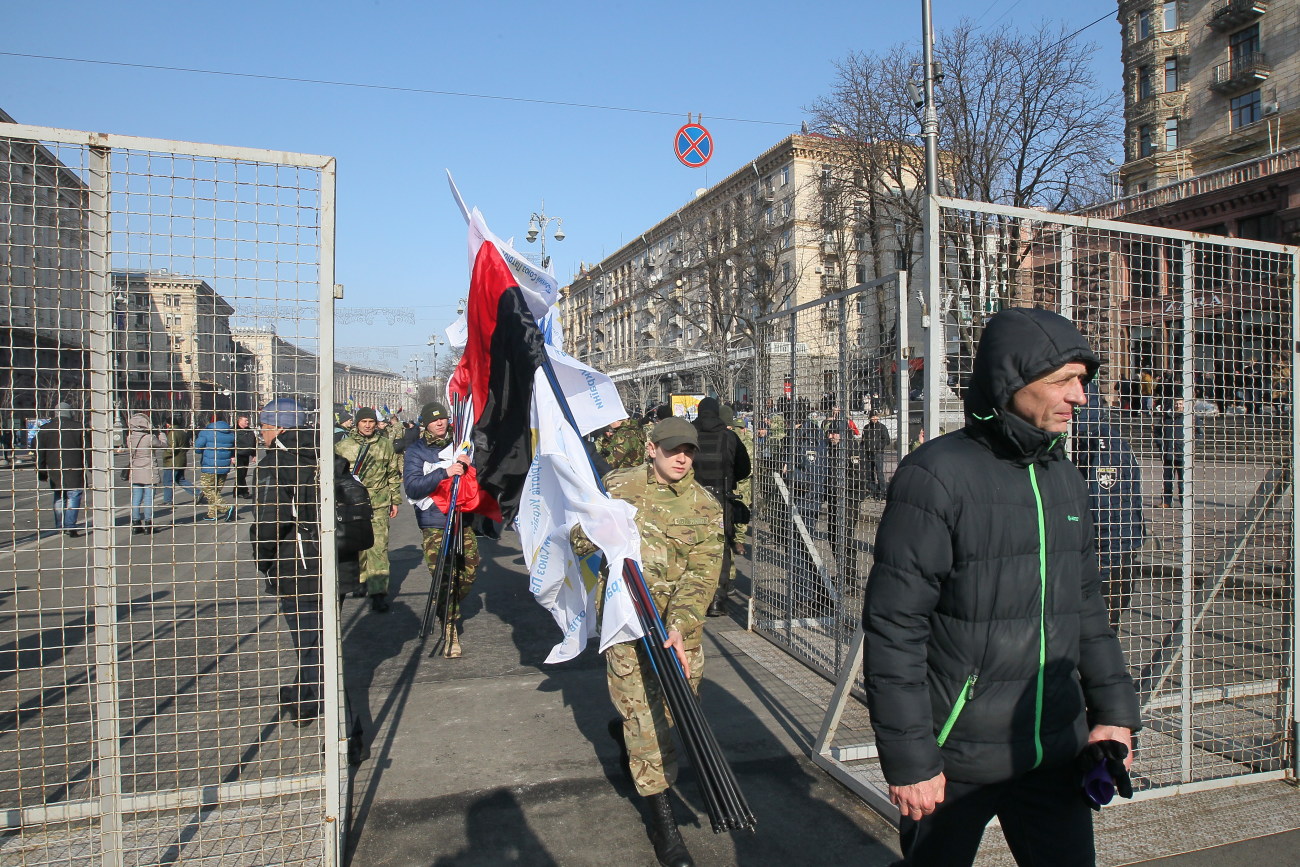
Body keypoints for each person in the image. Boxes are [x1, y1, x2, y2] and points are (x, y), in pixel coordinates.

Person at [861, 307, 1140, 867]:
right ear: (1012, 381)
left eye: (1082, 381)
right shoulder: (935, 476)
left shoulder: (1063, 475)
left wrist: (1113, 710)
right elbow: (895, 628)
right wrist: (911, 759)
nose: (1080, 396)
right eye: (1063, 380)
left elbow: (1086, 606)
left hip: (1055, 747)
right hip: (956, 757)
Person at [571, 417, 724, 867]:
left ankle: (626, 735)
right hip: (627, 627)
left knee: (676, 713)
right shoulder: (619, 486)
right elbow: (579, 541)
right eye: (674, 449)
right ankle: (664, 823)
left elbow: (703, 573)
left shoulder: (705, 506)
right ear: (651, 449)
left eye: (689, 451)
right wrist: (601, 525)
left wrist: (679, 625)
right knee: (647, 726)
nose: (683, 458)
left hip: (677, 634)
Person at [250, 398, 322, 726]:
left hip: (296, 564)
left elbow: (269, 523)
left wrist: (263, 561)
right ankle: (301, 693)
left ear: (279, 428)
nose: (260, 433)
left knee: (310, 643)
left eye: (263, 427)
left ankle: (343, 729)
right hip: (330, 559)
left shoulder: (274, 464)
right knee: (320, 639)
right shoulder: (322, 455)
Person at [402, 402, 480, 656]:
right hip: (435, 522)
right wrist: (444, 472)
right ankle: (450, 627)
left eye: (443, 419)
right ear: (424, 424)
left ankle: (446, 604)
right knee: (445, 576)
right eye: (434, 420)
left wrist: (467, 464)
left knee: (467, 574)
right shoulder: (416, 451)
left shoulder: (461, 446)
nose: (440, 423)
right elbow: (413, 487)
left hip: (461, 518)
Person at [1074, 385, 1145, 625]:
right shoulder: (1097, 437)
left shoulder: (1099, 442)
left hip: (1109, 551)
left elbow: (1101, 505)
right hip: (1118, 546)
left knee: (1100, 624)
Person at [334, 407, 402, 612]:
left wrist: (395, 500)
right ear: (356, 423)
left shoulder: (385, 445)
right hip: (352, 504)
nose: (368, 425)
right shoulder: (343, 447)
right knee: (356, 545)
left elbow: (392, 473)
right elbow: (337, 476)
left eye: (371, 421)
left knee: (378, 548)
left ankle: (378, 592)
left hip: (379, 503)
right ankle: (361, 580)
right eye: (363, 421)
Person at [690, 398, 750, 617]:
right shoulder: (729, 436)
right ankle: (717, 599)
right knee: (721, 549)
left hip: (692, 498)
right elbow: (745, 468)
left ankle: (694, 598)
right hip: (720, 499)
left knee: (691, 547)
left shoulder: (689, 435)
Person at [35, 402, 86, 537]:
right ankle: (70, 525)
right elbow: (87, 451)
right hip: (75, 468)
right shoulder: (79, 427)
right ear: (69, 412)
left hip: (55, 469)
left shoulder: (46, 429)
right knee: (74, 495)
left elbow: (40, 453)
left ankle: (61, 525)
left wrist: (41, 471)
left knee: (59, 497)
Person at [126, 411, 166, 535]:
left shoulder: (129, 438)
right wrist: (161, 434)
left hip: (135, 470)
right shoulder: (149, 438)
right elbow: (164, 445)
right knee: (148, 498)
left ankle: (135, 523)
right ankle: (148, 524)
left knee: (136, 498)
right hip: (149, 471)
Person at [194, 412, 236, 521]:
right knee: (216, 491)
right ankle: (212, 514)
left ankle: (226, 508)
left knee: (208, 489)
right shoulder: (230, 433)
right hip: (224, 467)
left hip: (210, 465)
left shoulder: (207, 432)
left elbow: (198, 448)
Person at [1154, 397, 1185, 508]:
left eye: (1180, 404)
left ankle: (1184, 502)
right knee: (1167, 480)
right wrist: (1161, 445)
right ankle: (1166, 501)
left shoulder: (1190, 418)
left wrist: (1192, 446)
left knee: (1183, 482)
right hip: (1168, 454)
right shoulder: (1166, 418)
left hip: (1183, 455)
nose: (1178, 406)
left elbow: (1199, 433)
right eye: (1176, 404)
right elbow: (1157, 432)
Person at [160, 417, 195, 505]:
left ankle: (168, 500)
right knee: (180, 479)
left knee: (168, 481)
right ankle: (197, 492)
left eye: (167, 424)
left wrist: (165, 455)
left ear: (170, 424)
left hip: (172, 461)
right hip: (181, 459)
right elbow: (187, 446)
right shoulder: (182, 432)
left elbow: (172, 448)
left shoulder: (172, 433)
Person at [860, 412, 892, 498]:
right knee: (869, 473)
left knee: (879, 473)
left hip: (878, 453)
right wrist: (863, 448)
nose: (874, 418)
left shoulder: (882, 427)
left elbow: (886, 440)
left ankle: (882, 492)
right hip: (868, 453)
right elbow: (863, 440)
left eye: (876, 417)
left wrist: (878, 447)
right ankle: (872, 490)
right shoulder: (866, 428)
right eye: (872, 417)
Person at [232, 413, 258, 499]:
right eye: (245, 420)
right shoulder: (234, 430)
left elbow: (253, 443)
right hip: (238, 454)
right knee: (240, 474)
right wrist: (232, 456)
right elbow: (231, 444)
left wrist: (254, 454)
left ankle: (236, 492)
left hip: (246, 454)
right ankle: (244, 492)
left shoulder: (249, 431)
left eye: (247, 420)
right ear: (239, 421)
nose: (247, 422)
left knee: (242, 474)